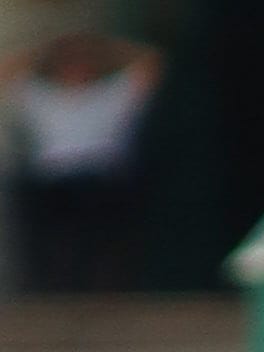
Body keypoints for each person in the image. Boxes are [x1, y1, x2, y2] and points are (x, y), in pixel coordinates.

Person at [4, 24, 164, 289]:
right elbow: (7, 71)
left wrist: (103, 46)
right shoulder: (42, 96)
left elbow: (152, 62)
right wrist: (49, 46)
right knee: (53, 246)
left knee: (103, 244)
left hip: (100, 181)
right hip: (53, 183)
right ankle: (55, 293)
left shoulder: (110, 94)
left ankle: (104, 292)